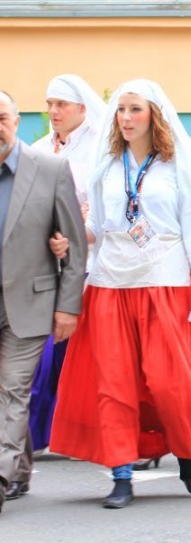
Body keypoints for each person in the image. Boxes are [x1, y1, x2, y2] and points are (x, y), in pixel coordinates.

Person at [49, 79, 191, 509]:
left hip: (166, 281)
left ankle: (185, 452)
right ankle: (121, 473)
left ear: (154, 115)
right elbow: (101, 228)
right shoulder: (107, 166)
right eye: (121, 110)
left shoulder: (177, 165)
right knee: (114, 382)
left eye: (135, 109)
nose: (126, 118)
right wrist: (70, 239)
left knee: (168, 380)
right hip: (110, 284)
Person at [15, 75, 105, 491]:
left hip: (90, 268)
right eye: (49, 103)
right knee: (39, 365)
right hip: (41, 271)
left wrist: (82, 227)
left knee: (79, 361)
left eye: (62, 105)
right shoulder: (35, 152)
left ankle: (77, 434)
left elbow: (103, 215)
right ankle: (26, 445)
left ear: (83, 110)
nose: (53, 112)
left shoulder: (101, 152)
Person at [0, 90, 87, 515]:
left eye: (2, 118)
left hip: (29, 304)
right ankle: (18, 469)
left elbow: (72, 246)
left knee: (12, 390)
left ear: (16, 121)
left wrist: (68, 305)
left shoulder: (50, 169)